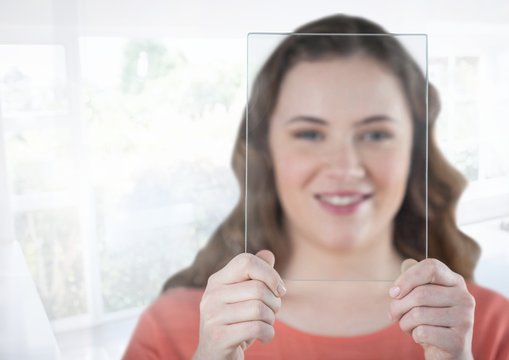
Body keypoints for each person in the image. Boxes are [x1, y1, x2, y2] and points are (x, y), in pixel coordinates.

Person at [123, 14, 509, 359]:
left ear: (415, 151)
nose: (344, 167)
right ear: (265, 151)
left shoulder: (490, 328)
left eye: (375, 134)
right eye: (309, 133)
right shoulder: (170, 330)